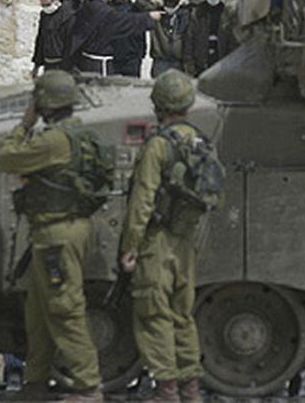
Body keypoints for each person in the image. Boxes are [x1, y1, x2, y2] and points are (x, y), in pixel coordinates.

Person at [0, 71, 106, 403]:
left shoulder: (53, 141)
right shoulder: (80, 134)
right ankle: (35, 382)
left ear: (44, 103)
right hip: (65, 229)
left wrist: (24, 124)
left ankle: (88, 387)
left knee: (63, 307)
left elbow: (5, 158)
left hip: (57, 234)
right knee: (38, 311)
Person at [120, 70, 208, 403]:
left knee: (153, 312)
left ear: (159, 104)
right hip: (185, 240)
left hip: (156, 240)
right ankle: (191, 388)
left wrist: (130, 246)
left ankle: (166, 389)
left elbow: (142, 199)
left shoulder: (159, 144)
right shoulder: (198, 140)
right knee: (182, 314)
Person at [64, 0, 162, 76]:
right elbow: (125, 21)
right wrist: (149, 17)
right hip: (99, 64)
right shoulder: (104, 11)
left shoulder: (87, 6)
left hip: (84, 60)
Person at [136, 0, 196, 78]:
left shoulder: (185, 13)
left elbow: (200, 2)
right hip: (160, 60)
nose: (170, 7)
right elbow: (140, 2)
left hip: (179, 61)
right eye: (168, 3)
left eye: (173, 4)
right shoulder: (157, 12)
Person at [185, 0, 237, 77]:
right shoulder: (198, 12)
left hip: (220, 60)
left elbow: (232, 39)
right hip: (201, 61)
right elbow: (189, 38)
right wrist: (189, 62)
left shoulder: (225, 12)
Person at [109, 0, 146, 77]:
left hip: (131, 59)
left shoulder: (135, 9)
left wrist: (140, 55)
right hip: (113, 58)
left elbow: (141, 35)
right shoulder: (109, 8)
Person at [31, 0, 62, 78]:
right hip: (48, 63)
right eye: (43, 5)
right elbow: (41, 39)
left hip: (62, 64)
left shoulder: (66, 16)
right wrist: (36, 65)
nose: (46, 8)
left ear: (55, 0)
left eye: (48, 5)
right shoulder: (44, 16)